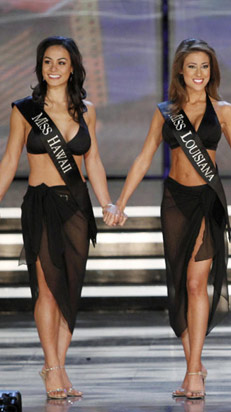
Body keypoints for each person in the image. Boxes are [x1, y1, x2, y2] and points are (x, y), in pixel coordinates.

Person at [114, 38, 231, 399]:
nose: (199, 73)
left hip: (208, 200)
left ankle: (193, 372)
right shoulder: (165, 112)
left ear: (211, 71)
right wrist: (120, 203)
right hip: (174, 201)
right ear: (180, 72)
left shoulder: (225, 110)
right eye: (192, 67)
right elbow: (143, 158)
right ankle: (195, 364)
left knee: (195, 284)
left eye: (204, 66)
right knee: (179, 284)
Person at [0, 36, 119, 399]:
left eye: (61, 62)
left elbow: (93, 160)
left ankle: (60, 367)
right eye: (47, 62)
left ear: (73, 68)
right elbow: (8, 161)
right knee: (47, 290)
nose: (53, 69)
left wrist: (107, 203)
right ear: (40, 67)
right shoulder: (24, 110)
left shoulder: (87, 110)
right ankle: (51, 368)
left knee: (69, 290)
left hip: (76, 207)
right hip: (41, 204)